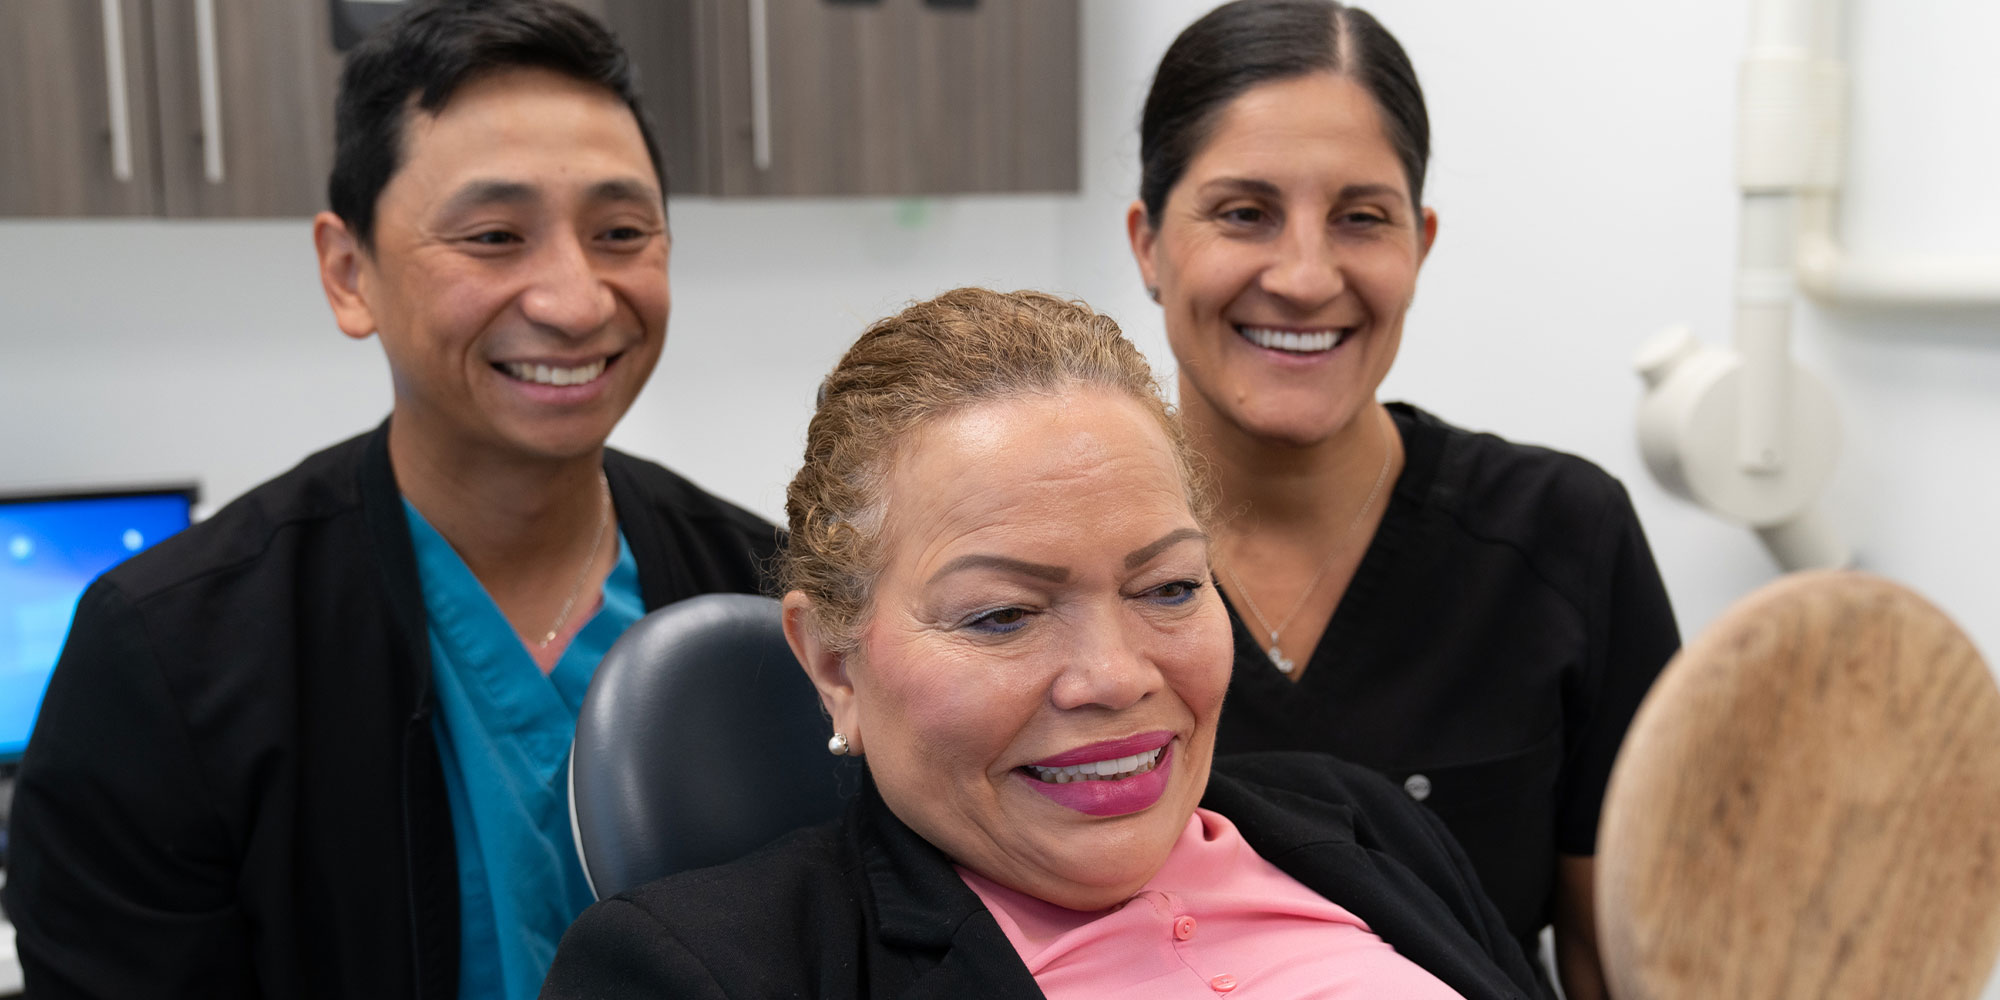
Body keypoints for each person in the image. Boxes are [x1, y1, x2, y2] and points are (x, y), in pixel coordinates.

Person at [3, 3, 779, 999]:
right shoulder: (169, 660)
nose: (576, 298)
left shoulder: (768, 601)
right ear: (347, 271)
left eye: (621, 231)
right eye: (495, 235)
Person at [538, 288, 1546, 999]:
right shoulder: (700, 970)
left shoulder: (1363, 824)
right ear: (834, 664)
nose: (1114, 676)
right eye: (1002, 615)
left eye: (1166, 588)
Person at [1122, 2, 1680, 995]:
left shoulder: (1560, 537)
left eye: (1360, 217)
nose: (1302, 276)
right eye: (1243, 212)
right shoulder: (1063, 565)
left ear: (1417, 245)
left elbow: (1627, 963)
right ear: (1148, 245)